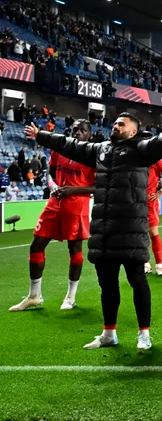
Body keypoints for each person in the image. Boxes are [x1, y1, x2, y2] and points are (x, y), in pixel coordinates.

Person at [24, 110, 162, 351]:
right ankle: (108, 333)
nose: (115, 126)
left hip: (131, 229)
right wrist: (41, 135)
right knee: (107, 285)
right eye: (114, 123)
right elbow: (69, 145)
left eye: (121, 124)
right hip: (104, 231)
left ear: (132, 131)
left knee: (138, 281)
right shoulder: (101, 150)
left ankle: (144, 335)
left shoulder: (141, 150)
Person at [9, 121, 94, 312]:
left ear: (90, 134)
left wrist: (73, 190)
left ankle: (70, 296)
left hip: (77, 206)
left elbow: (100, 186)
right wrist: (53, 186)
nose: (78, 133)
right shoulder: (60, 148)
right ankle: (34, 295)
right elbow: (51, 172)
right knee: (36, 245)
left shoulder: (93, 155)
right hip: (54, 204)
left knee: (75, 249)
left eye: (83, 130)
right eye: (75, 130)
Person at [144, 159, 162, 276]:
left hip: (150, 201)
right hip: (135, 201)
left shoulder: (155, 160)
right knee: (141, 233)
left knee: (153, 232)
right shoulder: (134, 157)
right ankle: (146, 263)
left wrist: (161, 191)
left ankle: (159, 265)